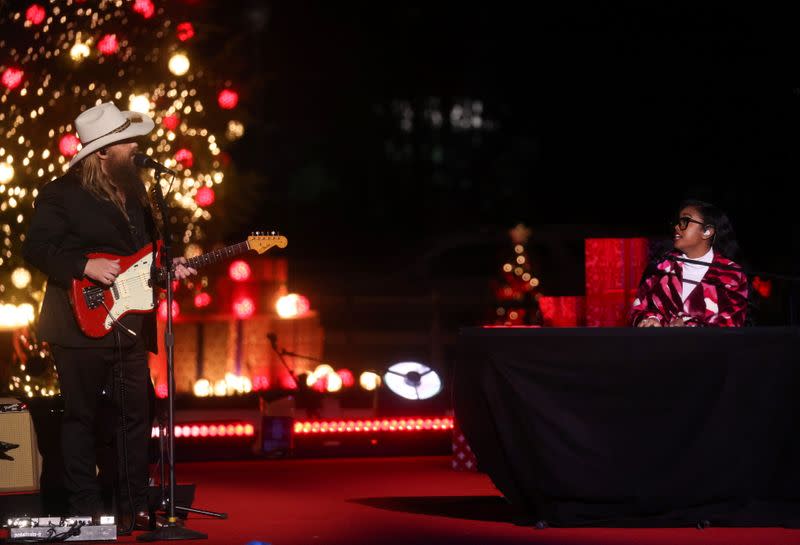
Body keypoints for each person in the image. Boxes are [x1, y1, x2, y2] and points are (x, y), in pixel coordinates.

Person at [22, 102, 196, 530]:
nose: (137, 147)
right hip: (78, 325)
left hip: (129, 324)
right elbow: (36, 247)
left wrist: (170, 267)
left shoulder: (137, 192)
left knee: (136, 415)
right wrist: (83, 266)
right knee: (81, 417)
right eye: (126, 142)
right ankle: (84, 508)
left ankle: (133, 506)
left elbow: (146, 258)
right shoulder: (61, 193)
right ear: (102, 151)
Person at [629, 199, 749, 328]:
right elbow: (638, 309)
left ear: (707, 231)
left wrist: (688, 326)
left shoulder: (731, 274)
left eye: (685, 221)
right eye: (677, 222)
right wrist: (649, 319)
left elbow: (731, 323)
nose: (676, 227)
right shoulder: (660, 268)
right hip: (661, 347)